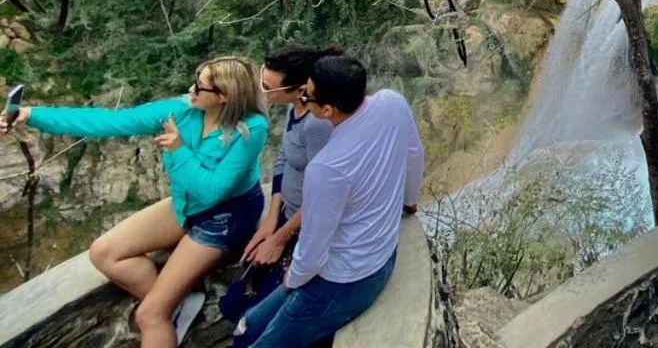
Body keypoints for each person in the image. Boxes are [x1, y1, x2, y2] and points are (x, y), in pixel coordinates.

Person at [3, 57, 268, 348]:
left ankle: (161, 311)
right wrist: (31, 115)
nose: (191, 89)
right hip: (186, 204)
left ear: (223, 97)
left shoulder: (251, 129)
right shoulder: (181, 111)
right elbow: (110, 122)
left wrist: (178, 150)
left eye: (200, 87)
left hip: (224, 217)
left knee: (149, 316)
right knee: (105, 252)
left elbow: (212, 191)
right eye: (195, 79)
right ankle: (175, 302)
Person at [232, 54, 424, 348]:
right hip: (383, 253)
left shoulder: (327, 168)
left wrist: (292, 280)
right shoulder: (392, 102)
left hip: (348, 280)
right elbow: (414, 155)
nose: (303, 97)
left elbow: (312, 252)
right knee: (248, 326)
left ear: (327, 109)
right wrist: (410, 201)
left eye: (307, 95)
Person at [239, 46, 342, 293]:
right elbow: (284, 158)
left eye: (268, 87)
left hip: (304, 224)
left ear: (299, 90)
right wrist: (272, 218)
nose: (262, 91)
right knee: (236, 298)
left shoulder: (316, 125)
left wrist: (279, 237)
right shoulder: (294, 107)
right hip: (288, 212)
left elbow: (324, 193)